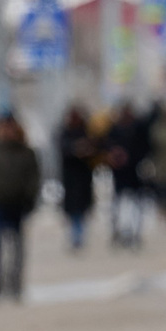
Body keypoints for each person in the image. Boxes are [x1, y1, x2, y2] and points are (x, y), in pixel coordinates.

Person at [0, 113, 41, 301]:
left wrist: (30, 200)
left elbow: (33, 179)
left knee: (17, 247)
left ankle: (15, 285)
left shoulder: (26, 152)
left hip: (19, 205)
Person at [108, 98, 153, 251]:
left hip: (135, 172)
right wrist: (115, 156)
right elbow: (107, 145)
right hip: (119, 174)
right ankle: (120, 232)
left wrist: (132, 158)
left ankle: (134, 233)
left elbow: (146, 147)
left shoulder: (139, 127)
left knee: (135, 205)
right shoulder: (115, 128)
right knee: (119, 205)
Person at [57, 104, 100, 252]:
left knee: (81, 211)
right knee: (73, 212)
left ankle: (79, 238)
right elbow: (64, 149)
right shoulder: (65, 133)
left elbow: (96, 148)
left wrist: (86, 150)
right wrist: (76, 149)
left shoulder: (86, 132)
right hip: (70, 179)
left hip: (83, 179)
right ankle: (75, 238)